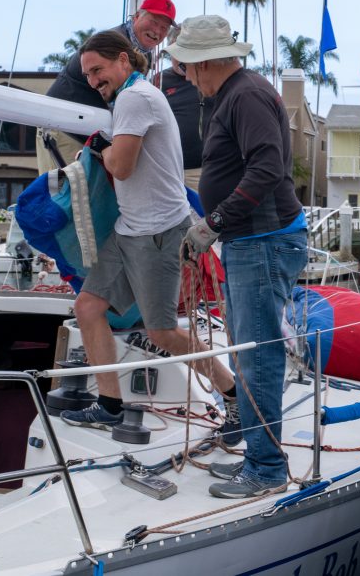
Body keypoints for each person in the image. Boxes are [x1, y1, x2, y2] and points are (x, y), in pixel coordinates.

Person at [59, 30, 234, 430]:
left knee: (163, 333)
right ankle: (109, 405)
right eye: (87, 75)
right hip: (130, 228)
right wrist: (105, 147)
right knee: (88, 308)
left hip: (160, 232)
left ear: (123, 60)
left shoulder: (135, 99)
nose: (93, 81)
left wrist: (97, 148)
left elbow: (121, 167)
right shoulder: (131, 97)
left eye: (98, 70)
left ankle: (233, 393)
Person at [168, 15, 308, 499]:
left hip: (262, 240)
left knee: (257, 356)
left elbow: (267, 166)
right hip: (251, 241)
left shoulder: (244, 95)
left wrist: (214, 222)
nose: (187, 77)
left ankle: (266, 469)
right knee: (249, 354)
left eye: (187, 67)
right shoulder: (236, 93)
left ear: (205, 63)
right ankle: (258, 457)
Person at [36, 0, 177, 172]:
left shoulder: (143, 54)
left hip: (90, 133)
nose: (157, 30)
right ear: (136, 17)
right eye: (154, 21)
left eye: (164, 27)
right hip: (65, 129)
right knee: (66, 189)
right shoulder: (112, 43)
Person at [154, 26, 213, 192]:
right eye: (177, 52)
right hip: (167, 172)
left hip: (203, 171)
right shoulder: (159, 80)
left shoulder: (210, 78)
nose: (181, 59)